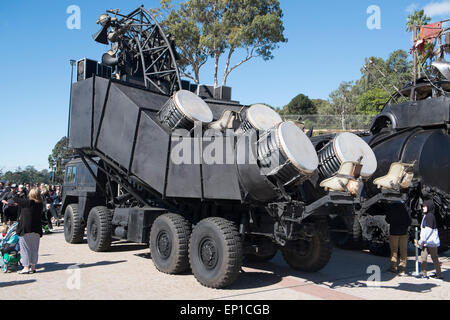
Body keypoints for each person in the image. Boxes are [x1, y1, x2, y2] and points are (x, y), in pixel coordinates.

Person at [13, 188, 43, 274]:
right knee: (34, 249)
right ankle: (33, 267)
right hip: (36, 229)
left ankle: (26, 267)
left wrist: (18, 194)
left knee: (25, 249)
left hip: (25, 229)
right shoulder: (40, 204)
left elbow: (15, 199)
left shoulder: (28, 202)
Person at [418, 199, 443, 280]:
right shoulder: (429, 215)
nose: (423, 208)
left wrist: (422, 240)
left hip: (428, 242)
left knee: (424, 257)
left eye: (425, 206)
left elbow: (428, 230)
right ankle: (439, 275)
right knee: (434, 258)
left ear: (429, 207)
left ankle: (424, 274)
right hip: (432, 242)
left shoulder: (429, 216)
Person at [385, 201, 411, 276]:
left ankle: (393, 267)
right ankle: (402, 269)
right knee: (403, 251)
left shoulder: (391, 208)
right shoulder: (406, 208)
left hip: (394, 232)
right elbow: (409, 221)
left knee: (394, 251)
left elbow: (387, 220)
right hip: (403, 232)